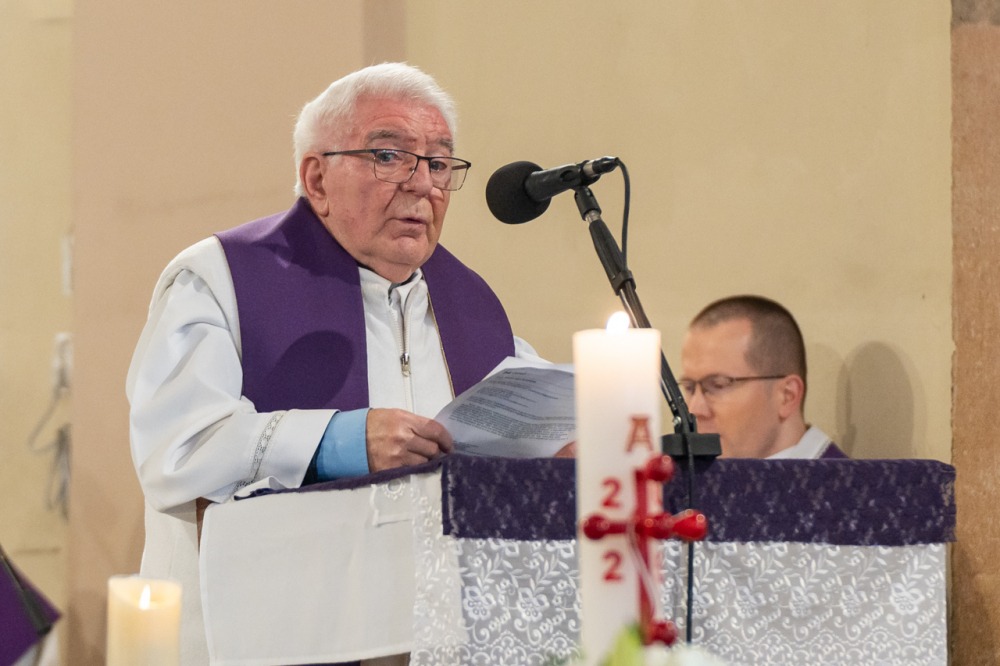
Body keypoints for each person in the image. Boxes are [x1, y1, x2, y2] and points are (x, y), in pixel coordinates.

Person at [126, 62, 544, 664]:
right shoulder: (219, 280)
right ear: (316, 179)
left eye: (438, 163)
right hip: (248, 642)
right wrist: (337, 441)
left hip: (426, 638)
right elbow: (176, 450)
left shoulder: (471, 306)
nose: (422, 185)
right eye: (389, 156)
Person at [678, 295, 847, 459]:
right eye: (689, 388)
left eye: (718, 385)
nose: (694, 410)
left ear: (787, 395)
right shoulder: (688, 476)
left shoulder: (845, 479)